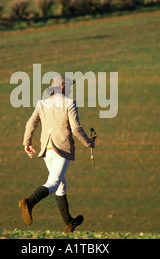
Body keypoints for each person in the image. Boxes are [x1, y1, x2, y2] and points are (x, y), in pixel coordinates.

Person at [19, 75, 95, 233]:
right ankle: (29, 202)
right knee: (53, 182)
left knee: (60, 184)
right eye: (69, 86)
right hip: (61, 148)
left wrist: (27, 142)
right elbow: (75, 129)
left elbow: (31, 122)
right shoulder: (69, 103)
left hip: (46, 148)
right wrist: (89, 142)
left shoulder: (42, 103)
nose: (70, 90)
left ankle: (69, 222)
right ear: (62, 88)